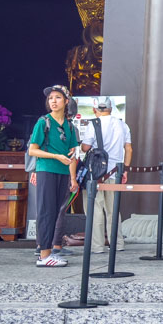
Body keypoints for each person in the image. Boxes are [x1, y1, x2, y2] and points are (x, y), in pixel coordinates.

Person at [28, 85, 80, 267]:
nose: (53, 101)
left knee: (56, 212)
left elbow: (73, 153)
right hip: (46, 170)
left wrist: (73, 177)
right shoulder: (44, 122)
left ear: (66, 101)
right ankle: (43, 255)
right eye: (51, 98)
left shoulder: (70, 127)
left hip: (63, 173)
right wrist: (55, 156)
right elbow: (32, 150)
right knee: (46, 212)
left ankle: (49, 252)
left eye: (58, 98)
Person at [78, 97, 132, 254]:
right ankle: (118, 243)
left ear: (95, 110)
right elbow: (129, 149)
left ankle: (97, 246)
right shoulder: (123, 125)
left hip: (95, 174)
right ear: (111, 109)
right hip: (115, 172)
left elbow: (86, 147)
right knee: (113, 210)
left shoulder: (93, 125)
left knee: (95, 210)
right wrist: (125, 169)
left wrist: (81, 145)